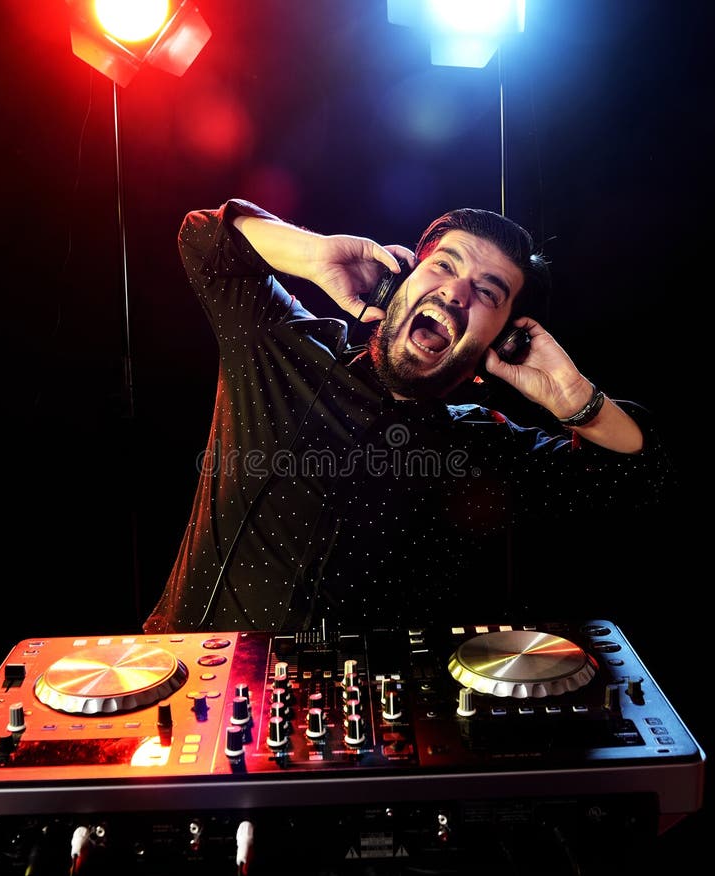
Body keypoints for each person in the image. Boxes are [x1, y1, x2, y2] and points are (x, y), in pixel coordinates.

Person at [142, 199, 673, 635]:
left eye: (488, 292)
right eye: (445, 264)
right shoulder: (283, 346)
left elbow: (637, 476)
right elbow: (204, 240)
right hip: (194, 689)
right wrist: (317, 254)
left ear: (499, 344)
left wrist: (572, 396)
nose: (457, 291)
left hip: (368, 745)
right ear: (399, 282)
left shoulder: (483, 446)